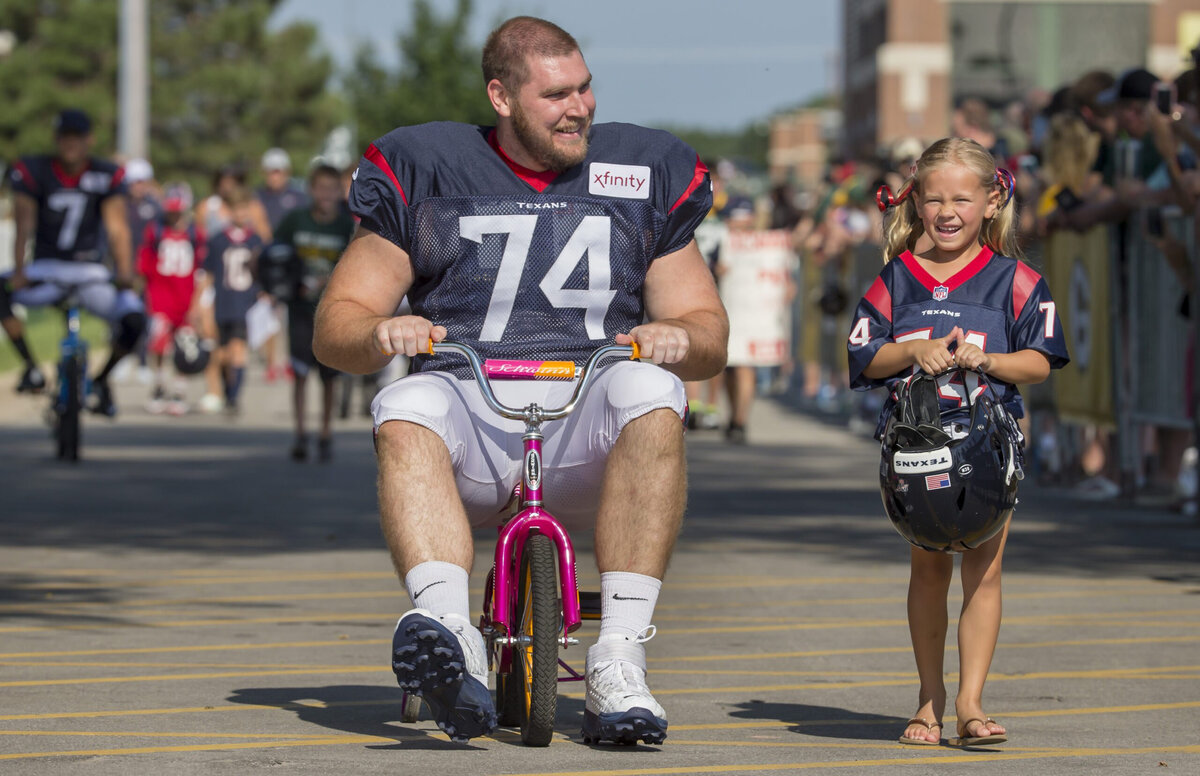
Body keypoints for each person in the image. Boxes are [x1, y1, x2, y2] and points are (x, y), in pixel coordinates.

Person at [312, 16, 726, 744]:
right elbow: (335, 324)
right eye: (556, 94)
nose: (581, 107)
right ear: (500, 97)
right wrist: (380, 332)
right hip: (473, 414)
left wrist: (679, 337)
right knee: (402, 401)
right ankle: (452, 639)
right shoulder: (426, 165)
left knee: (655, 393)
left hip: (585, 420)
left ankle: (619, 662)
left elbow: (707, 331)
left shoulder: (643, 169)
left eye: (586, 87)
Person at [847, 138, 1068, 747]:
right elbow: (864, 356)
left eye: (962, 199)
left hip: (990, 446)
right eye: (933, 199)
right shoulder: (896, 278)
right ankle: (929, 698)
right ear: (914, 202)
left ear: (993, 201)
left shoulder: (1016, 280)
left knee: (985, 570)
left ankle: (971, 701)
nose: (947, 212)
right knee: (927, 566)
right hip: (917, 442)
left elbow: (1041, 363)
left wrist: (993, 360)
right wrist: (912, 350)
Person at [0, 109, 144, 416]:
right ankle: (31, 367)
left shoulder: (106, 174)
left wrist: (125, 273)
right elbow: (24, 225)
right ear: (56, 139)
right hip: (46, 268)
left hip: (90, 271)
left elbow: (118, 229)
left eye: (76, 137)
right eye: (65, 137)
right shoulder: (35, 170)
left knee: (135, 318)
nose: (70, 144)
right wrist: (21, 271)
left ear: (88, 139)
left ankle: (103, 379)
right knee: (1, 290)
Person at [267, 163, 355, 461]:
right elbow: (274, 255)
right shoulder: (296, 220)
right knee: (300, 371)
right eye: (321, 188)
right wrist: (283, 283)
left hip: (331, 310)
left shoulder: (344, 226)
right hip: (300, 308)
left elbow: (355, 266)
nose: (327, 195)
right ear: (311, 190)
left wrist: (327, 281)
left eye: (332, 189)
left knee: (329, 375)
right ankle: (301, 431)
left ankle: (326, 432)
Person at [137, 190, 206, 415]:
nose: (175, 217)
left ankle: (179, 392)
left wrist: (198, 303)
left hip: (186, 300)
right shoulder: (155, 232)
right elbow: (144, 267)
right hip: (161, 299)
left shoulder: (196, 235)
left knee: (184, 347)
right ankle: (159, 387)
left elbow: (203, 271)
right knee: (159, 345)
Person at [199, 186, 264, 415]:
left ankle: (234, 397)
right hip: (223, 300)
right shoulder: (217, 240)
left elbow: (262, 275)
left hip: (245, 302)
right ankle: (226, 389)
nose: (240, 214)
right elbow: (208, 273)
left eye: (244, 209)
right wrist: (202, 303)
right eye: (236, 209)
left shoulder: (256, 240)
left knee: (239, 349)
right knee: (221, 352)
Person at [256, 147, 309, 233]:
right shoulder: (255, 197)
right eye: (271, 173)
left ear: (288, 172)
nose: (275, 178)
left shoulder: (301, 198)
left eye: (278, 172)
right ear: (263, 173)